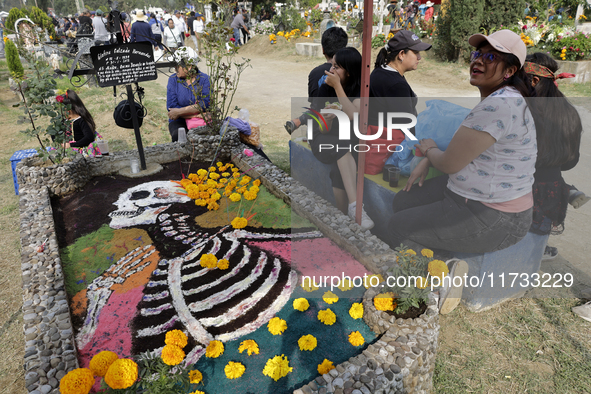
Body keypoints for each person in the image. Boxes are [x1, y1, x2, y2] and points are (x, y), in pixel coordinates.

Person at [387, 30, 537, 256]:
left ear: (510, 70)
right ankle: (441, 254)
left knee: (398, 227)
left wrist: (429, 151)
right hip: (468, 195)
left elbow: (448, 164)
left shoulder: (498, 105)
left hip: (493, 214)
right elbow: (467, 149)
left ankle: (434, 280)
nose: (477, 60)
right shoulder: (505, 96)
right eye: (477, 54)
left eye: (490, 57)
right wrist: (430, 157)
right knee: (404, 201)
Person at [524, 53, 587, 261]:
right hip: (552, 187)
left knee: (520, 236)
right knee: (538, 231)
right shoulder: (569, 110)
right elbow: (572, 160)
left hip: (525, 186)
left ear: (533, 80)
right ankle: (567, 190)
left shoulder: (526, 108)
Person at [309, 47, 375, 230]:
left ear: (349, 70)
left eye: (337, 67)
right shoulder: (324, 88)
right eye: (332, 65)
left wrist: (338, 87)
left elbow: (354, 114)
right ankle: (356, 209)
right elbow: (321, 129)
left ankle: (343, 219)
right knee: (341, 147)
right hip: (322, 137)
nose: (332, 70)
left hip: (345, 139)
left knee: (341, 165)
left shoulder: (361, 90)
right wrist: (327, 121)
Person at [284, 27, 348, 134]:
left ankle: (298, 121)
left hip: (320, 128)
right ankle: (298, 121)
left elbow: (315, 106)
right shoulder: (348, 72)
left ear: (323, 50)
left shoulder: (315, 73)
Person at [369, 30, 431, 136]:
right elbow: (406, 126)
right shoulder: (396, 85)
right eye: (416, 52)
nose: (419, 57)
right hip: (391, 146)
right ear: (401, 54)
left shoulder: (380, 71)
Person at [166, 47, 210, 142]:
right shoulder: (173, 79)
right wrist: (196, 115)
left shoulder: (204, 79)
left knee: (204, 140)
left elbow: (204, 104)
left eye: (177, 65)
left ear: (189, 67)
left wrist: (179, 112)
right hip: (179, 120)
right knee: (178, 137)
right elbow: (171, 109)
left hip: (201, 121)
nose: (175, 68)